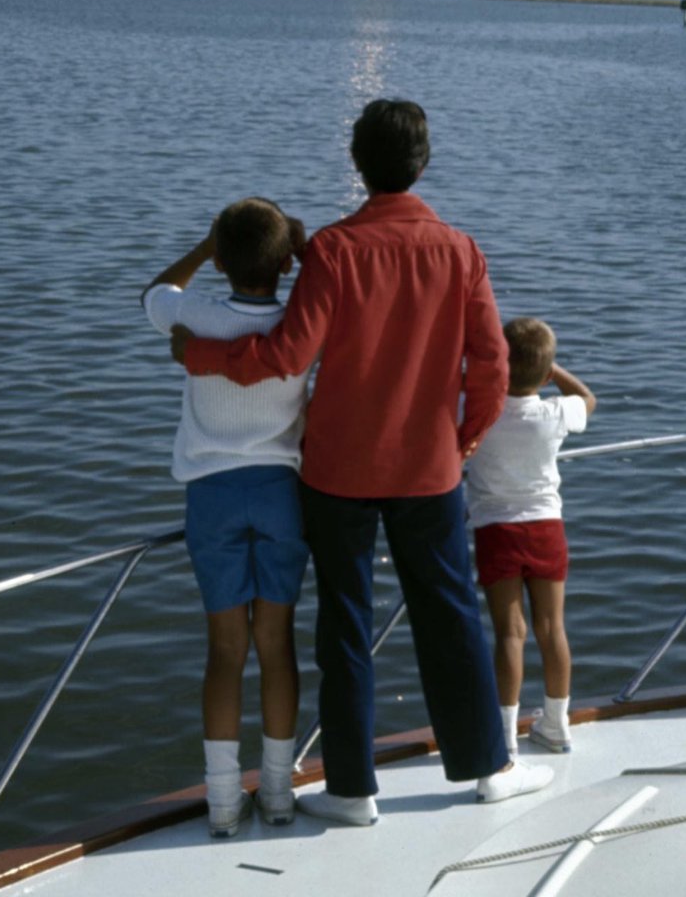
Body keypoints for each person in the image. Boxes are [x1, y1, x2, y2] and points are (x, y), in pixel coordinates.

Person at [172, 100, 553, 826]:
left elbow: (286, 355)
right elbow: (493, 367)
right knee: (450, 618)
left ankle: (351, 788)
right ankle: (488, 767)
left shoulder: (333, 252)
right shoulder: (461, 250)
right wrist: (463, 440)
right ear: (423, 162)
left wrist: (199, 353)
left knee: (343, 624)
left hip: (337, 473)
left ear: (358, 162)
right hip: (427, 471)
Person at [141, 197, 311, 838]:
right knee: (277, 647)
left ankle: (220, 803)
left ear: (223, 256)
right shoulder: (301, 320)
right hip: (280, 494)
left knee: (224, 651)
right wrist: (298, 253)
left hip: (211, 495)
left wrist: (202, 249)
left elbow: (153, 293)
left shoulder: (196, 315)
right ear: (283, 262)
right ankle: (277, 793)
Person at [466, 317, 596, 758]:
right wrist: (551, 370)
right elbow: (587, 400)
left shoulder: (483, 411)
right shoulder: (554, 412)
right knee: (551, 627)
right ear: (543, 375)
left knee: (510, 633)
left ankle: (504, 735)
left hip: (496, 529)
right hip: (546, 527)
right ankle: (556, 724)